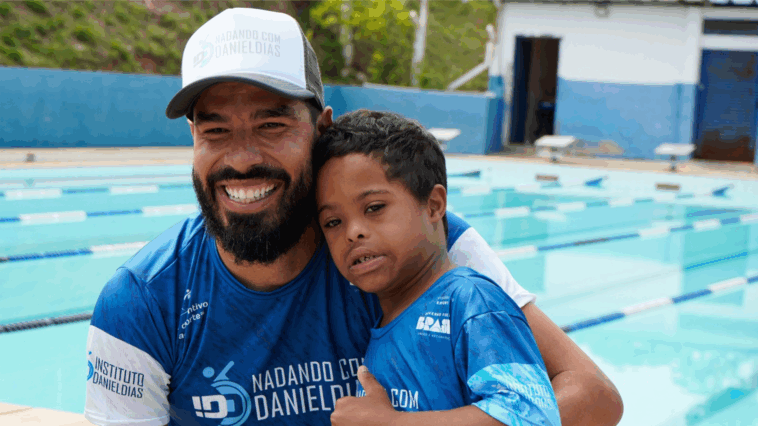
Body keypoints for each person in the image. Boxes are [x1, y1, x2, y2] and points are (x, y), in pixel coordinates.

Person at [84, 7, 623, 426]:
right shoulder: (144, 300)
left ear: (321, 129)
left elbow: (592, 396)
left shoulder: (415, 244)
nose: (242, 159)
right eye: (215, 130)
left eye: (272, 125)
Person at [313, 110, 561, 426]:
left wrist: (391, 424)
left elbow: (534, 416)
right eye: (333, 222)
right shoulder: (388, 319)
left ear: (434, 205)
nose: (353, 232)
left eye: (374, 208)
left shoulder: (470, 302)